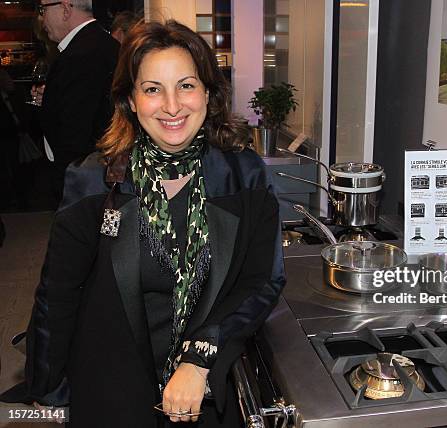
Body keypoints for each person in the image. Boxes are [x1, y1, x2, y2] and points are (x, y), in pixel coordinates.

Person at [1, 20, 286, 427]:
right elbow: (58, 295)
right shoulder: (93, 181)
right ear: (131, 100)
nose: (172, 106)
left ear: (208, 91)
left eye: (186, 85)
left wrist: (202, 353)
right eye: (153, 89)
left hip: (206, 394)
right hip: (111, 390)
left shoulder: (243, 176)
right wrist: (47, 388)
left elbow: (263, 280)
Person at [32, 0, 119, 205]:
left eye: (43, 9)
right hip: (102, 174)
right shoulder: (101, 43)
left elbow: (76, 131)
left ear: (64, 9)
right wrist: (52, 98)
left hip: (86, 180)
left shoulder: (79, 55)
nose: (41, 18)